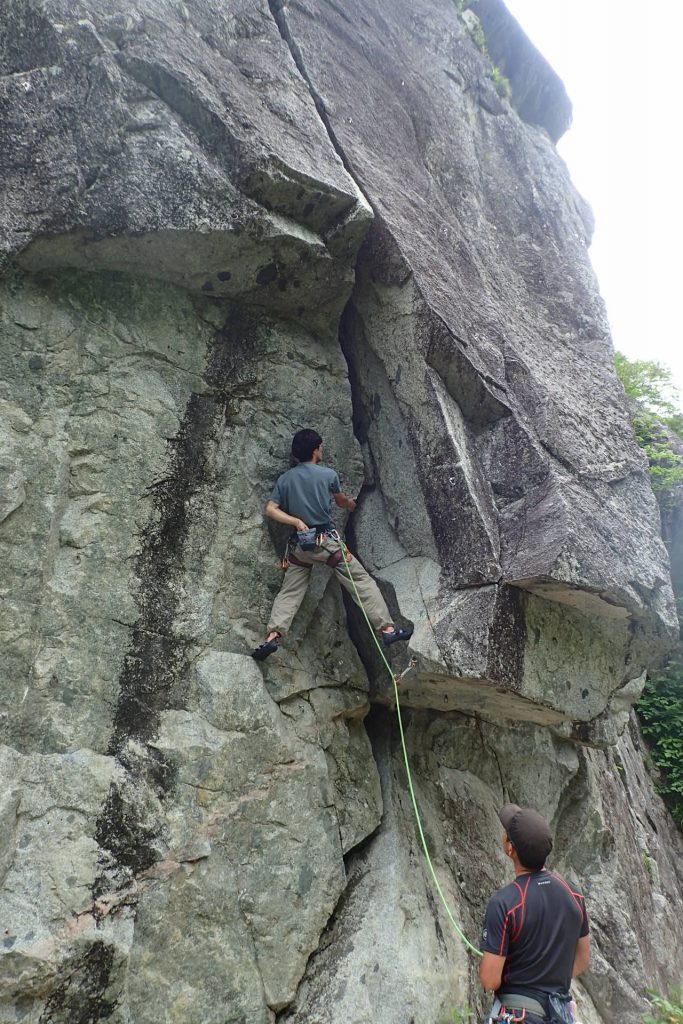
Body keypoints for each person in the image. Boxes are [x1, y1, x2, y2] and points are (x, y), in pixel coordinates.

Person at [252, 428, 413, 661]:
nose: (322, 450)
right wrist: (350, 504)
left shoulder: (285, 479)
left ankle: (273, 636)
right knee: (361, 582)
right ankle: (387, 630)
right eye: (321, 447)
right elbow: (341, 502)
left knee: (290, 592)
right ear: (316, 449)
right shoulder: (327, 475)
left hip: (301, 548)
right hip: (326, 544)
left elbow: (270, 509)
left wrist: (296, 521)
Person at [479, 804, 590, 1024]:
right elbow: (582, 959)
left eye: (506, 834)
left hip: (519, 1016)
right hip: (559, 1014)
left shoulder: (505, 903)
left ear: (510, 848)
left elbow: (490, 980)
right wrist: (548, 980)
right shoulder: (574, 895)